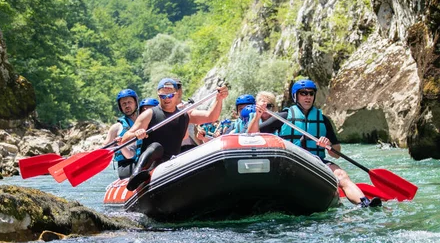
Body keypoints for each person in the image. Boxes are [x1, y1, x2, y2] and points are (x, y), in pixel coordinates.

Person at [250, 79, 381, 208]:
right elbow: (252, 134)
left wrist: (328, 145)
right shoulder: (284, 116)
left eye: (311, 93)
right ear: (296, 96)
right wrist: (257, 117)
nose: (308, 97)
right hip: (292, 160)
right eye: (303, 93)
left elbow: (336, 153)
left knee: (341, 175)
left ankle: (364, 202)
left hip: (316, 160)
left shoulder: (323, 120)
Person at [121, 77, 229, 190]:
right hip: (151, 164)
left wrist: (219, 98)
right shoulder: (149, 114)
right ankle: (137, 174)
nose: (167, 99)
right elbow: (125, 139)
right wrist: (136, 134)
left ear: (177, 95)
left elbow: (211, 117)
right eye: (163, 96)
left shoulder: (185, 114)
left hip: (172, 163)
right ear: (158, 95)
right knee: (156, 147)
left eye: (170, 95)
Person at [103, 89, 140, 179]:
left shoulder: (144, 121)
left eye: (129, 102)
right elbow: (105, 149)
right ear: (120, 107)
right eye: (124, 104)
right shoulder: (116, 128)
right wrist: (117, 143)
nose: (127, 106)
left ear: (135, 103)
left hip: (144, 161)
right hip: (126, 166)